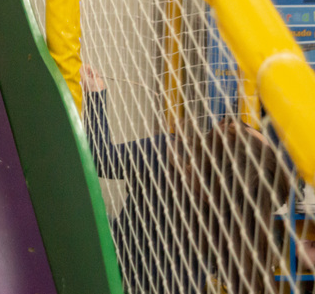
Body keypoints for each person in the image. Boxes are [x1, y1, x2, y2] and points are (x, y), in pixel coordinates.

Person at [81, 64, 291, 294]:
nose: (234, 122)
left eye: (243, 128)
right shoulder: (227, 225)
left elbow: (101, 158)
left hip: (107, 268)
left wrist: (96, 95)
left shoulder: (167, 153)